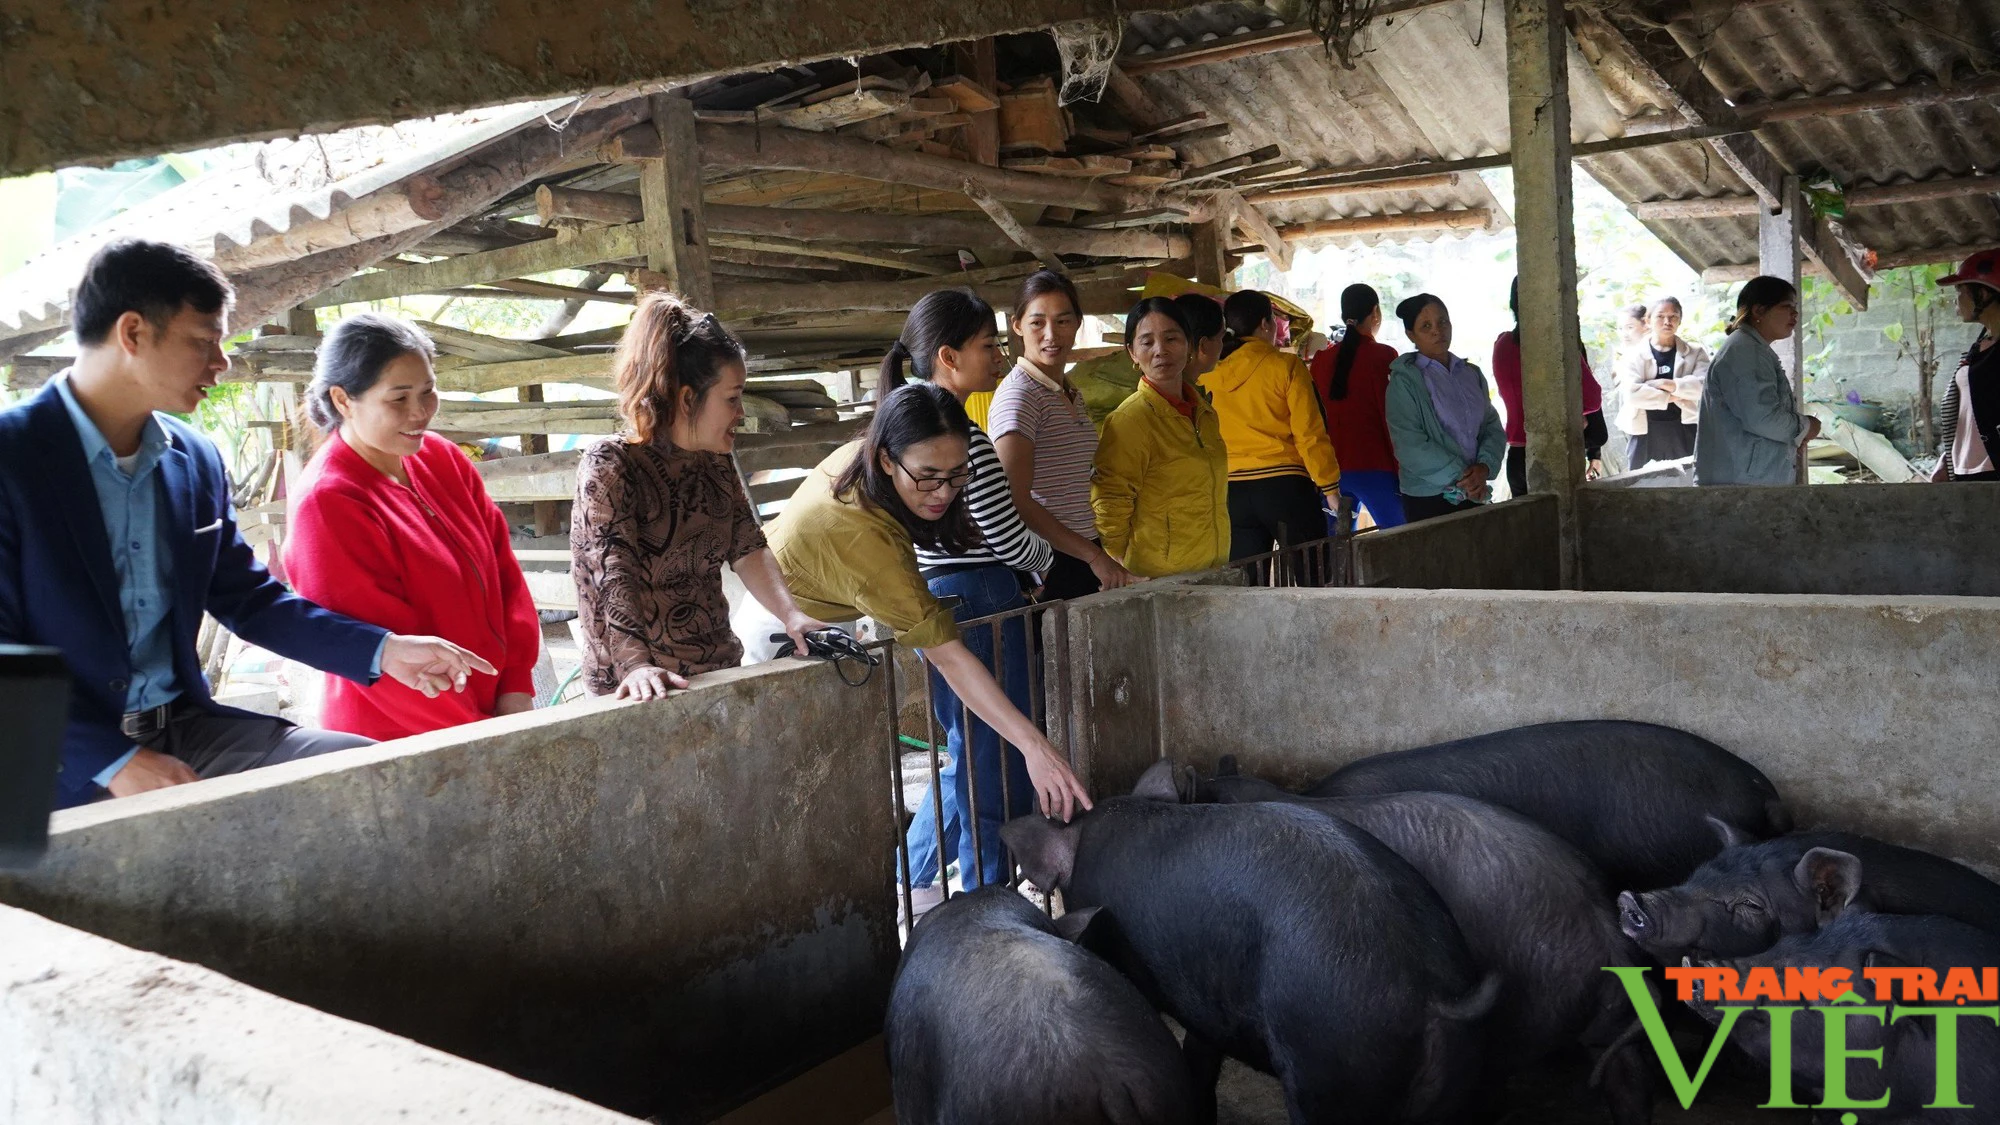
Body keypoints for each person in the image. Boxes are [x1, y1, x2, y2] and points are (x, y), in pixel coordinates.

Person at [0, 239, 492, 809]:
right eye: (205, 340)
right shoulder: (13, 460)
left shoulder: (193, 459)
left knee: (361, 776)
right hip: (47, 758)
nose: (222, 361)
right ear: (132, 333)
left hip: (183, 732)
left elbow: (250, 600)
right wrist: (112, 762)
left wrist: (383, 651)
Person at [762, 382, 1092, 898]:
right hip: (783, 628)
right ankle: (937, 896)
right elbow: (951, 657)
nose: (943, 492)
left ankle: (913, 886)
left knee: (970, 752)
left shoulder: (873, 463)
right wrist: (1035, 746)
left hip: (820, 607)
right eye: (929, 478)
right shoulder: (867, 541)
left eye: (958, 474)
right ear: (887, 460)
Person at [878, 288, 1055, 907]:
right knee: (991, 760)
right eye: (989, 346)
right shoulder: (963, 438)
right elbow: (1004, 532)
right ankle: (984, 896)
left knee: (967, 752)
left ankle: (915, 881)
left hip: (939, 593)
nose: (999, 358)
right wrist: (1046, 564)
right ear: (948, 356)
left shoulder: (908, 425)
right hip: (981, 596)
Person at [285, 314, 542, 739]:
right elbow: (383, 665)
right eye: (398, 398)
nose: (420, 412)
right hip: (401, 738)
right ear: (344, 400)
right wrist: (487, 734)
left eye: (428, 391)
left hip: (496, 716)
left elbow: (503, 571)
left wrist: (516, 687)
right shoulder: (329, 502)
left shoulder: (442, 458)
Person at [570, 293, 821, 701]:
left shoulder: (713, 460)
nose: (740, 413)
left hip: (717, 671)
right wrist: (636, 667)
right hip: (638, 689)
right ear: (688, 398)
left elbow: (748, 548)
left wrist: (792, 617)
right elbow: (610, 574)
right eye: (732, 397)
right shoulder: (611, 464)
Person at [988, 270, 1135, 599]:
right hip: (1048, 561)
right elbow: (1014, 499)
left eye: (1063, 321)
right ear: (1017, 325)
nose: (1051, 335)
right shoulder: (1020, 396)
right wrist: (1094, 556)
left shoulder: (1068, 391)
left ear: (1078, 323)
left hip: (1081, 552)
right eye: (1037, 322)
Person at [1092, 297, 1230, 578]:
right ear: (1132, 352)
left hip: (1212, 566)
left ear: (1189, 344)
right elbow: (1110, 502)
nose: (1160, 351)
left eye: (1171, 338)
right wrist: (1122, 563)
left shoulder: (1203, 412)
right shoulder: (1130, 420)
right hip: (1158, 578)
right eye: (1147, 342)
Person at [1201, 289, 1342, 557]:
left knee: (1248, 589)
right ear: (1266, 324)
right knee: (1313, 581)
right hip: (1285, 488)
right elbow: (1310, 432)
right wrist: (1330, 487)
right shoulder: (1286, 366)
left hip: (1232, 493)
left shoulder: (1209, 374)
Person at [1384, 293, 1506, 522]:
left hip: (1473, 491)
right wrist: (1465, 477)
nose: (1437, 331)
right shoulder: (1405, 382)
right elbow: (1410, 445)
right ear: (1411, 334)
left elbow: (1492, 426)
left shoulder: (1471, 374)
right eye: (1425, 326)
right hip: (1429, 499)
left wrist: (1484, 467)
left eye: (1443, 322)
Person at [1695, 276, 1820, 486]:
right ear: (1759, 311)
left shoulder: (1750, 348)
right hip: (1739, 485)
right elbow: (1762, 419)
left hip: (1744, 481)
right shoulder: (1745, 351)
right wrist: (1806, 426)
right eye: (1786, 306)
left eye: (1795, 307)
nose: (1795, 314)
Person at [1492, 277, 1608, 496]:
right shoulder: (1558, 345)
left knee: (1530, 529)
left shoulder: (1502, 344)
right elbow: (1592, 398)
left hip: (1517, 457)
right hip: (1552, 455)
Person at [1311, 284, 1404, 529]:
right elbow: (1391, 417)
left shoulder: (1321, 361)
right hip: (1377, 466)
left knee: (1334, 553)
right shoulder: (1384, 355)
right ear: (1375, 313)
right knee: (1404, 538)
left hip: (1333, 473)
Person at [1613, 295, 1708, 472]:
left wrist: (1667, 384)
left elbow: (1704, 387)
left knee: (1689, 481)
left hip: (1685, 428)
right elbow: (1632, 394)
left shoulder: (1695, 352)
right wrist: (1674, 395)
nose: (1667, 321)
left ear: (1680, 320)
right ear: (1647, 320)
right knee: (1640, 484)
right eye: (1660, 316)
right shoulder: (1632, 355)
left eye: (1674, 316)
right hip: (1643, 430)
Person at [1931, 249, 2000, 482]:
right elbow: (1968, 411)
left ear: (1982, 293)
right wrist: (1948, 457)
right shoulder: (1981, 346)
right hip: (1965, 469)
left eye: (1960, 290)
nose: (1955, 299)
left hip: (1992, 470)